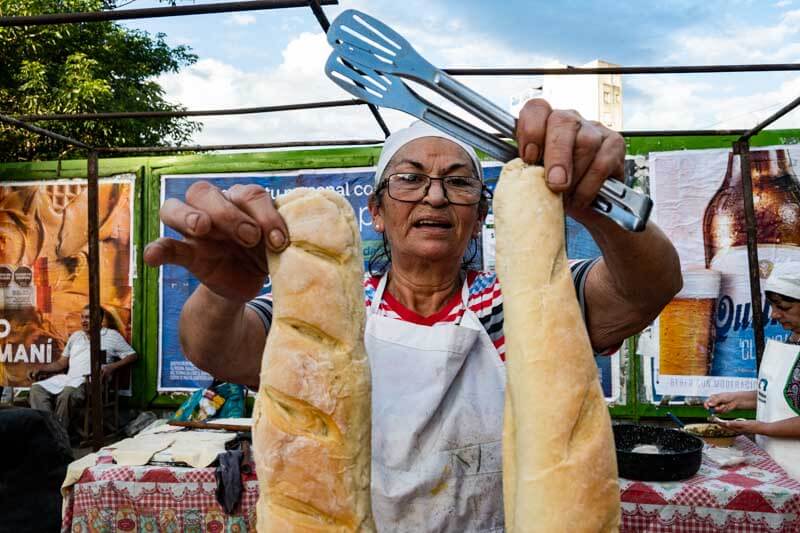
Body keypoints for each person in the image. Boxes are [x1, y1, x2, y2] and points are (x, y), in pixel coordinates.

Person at [144, 100, 682, 530]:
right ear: (376, 212)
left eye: (459, 182)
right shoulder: (332, 311)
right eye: (409, 179)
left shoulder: (521, 307)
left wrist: (592, 196)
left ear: (478, 219)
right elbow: (212, 347)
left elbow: (647, 289)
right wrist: (221, 290)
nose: (435, 196)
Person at [705, 262, 800, 480]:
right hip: (777, 465)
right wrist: (738, 400)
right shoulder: (795, 337)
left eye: (784, 308)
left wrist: (758, 427)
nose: (774, 315)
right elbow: (787, 395)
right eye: (772, 306)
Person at [28, 305, 137, 432]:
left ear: (99, 319)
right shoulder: (76, 336)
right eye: (83, 317)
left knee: (67, 394)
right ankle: (48, 429)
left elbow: (132, 355)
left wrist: (112, 367)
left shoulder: (111, 336)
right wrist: (41, 369)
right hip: (70, 379)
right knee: (37, 389)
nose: (84, 321)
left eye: (89, 318)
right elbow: (61, 363)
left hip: (91, 383)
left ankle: (59, 433)